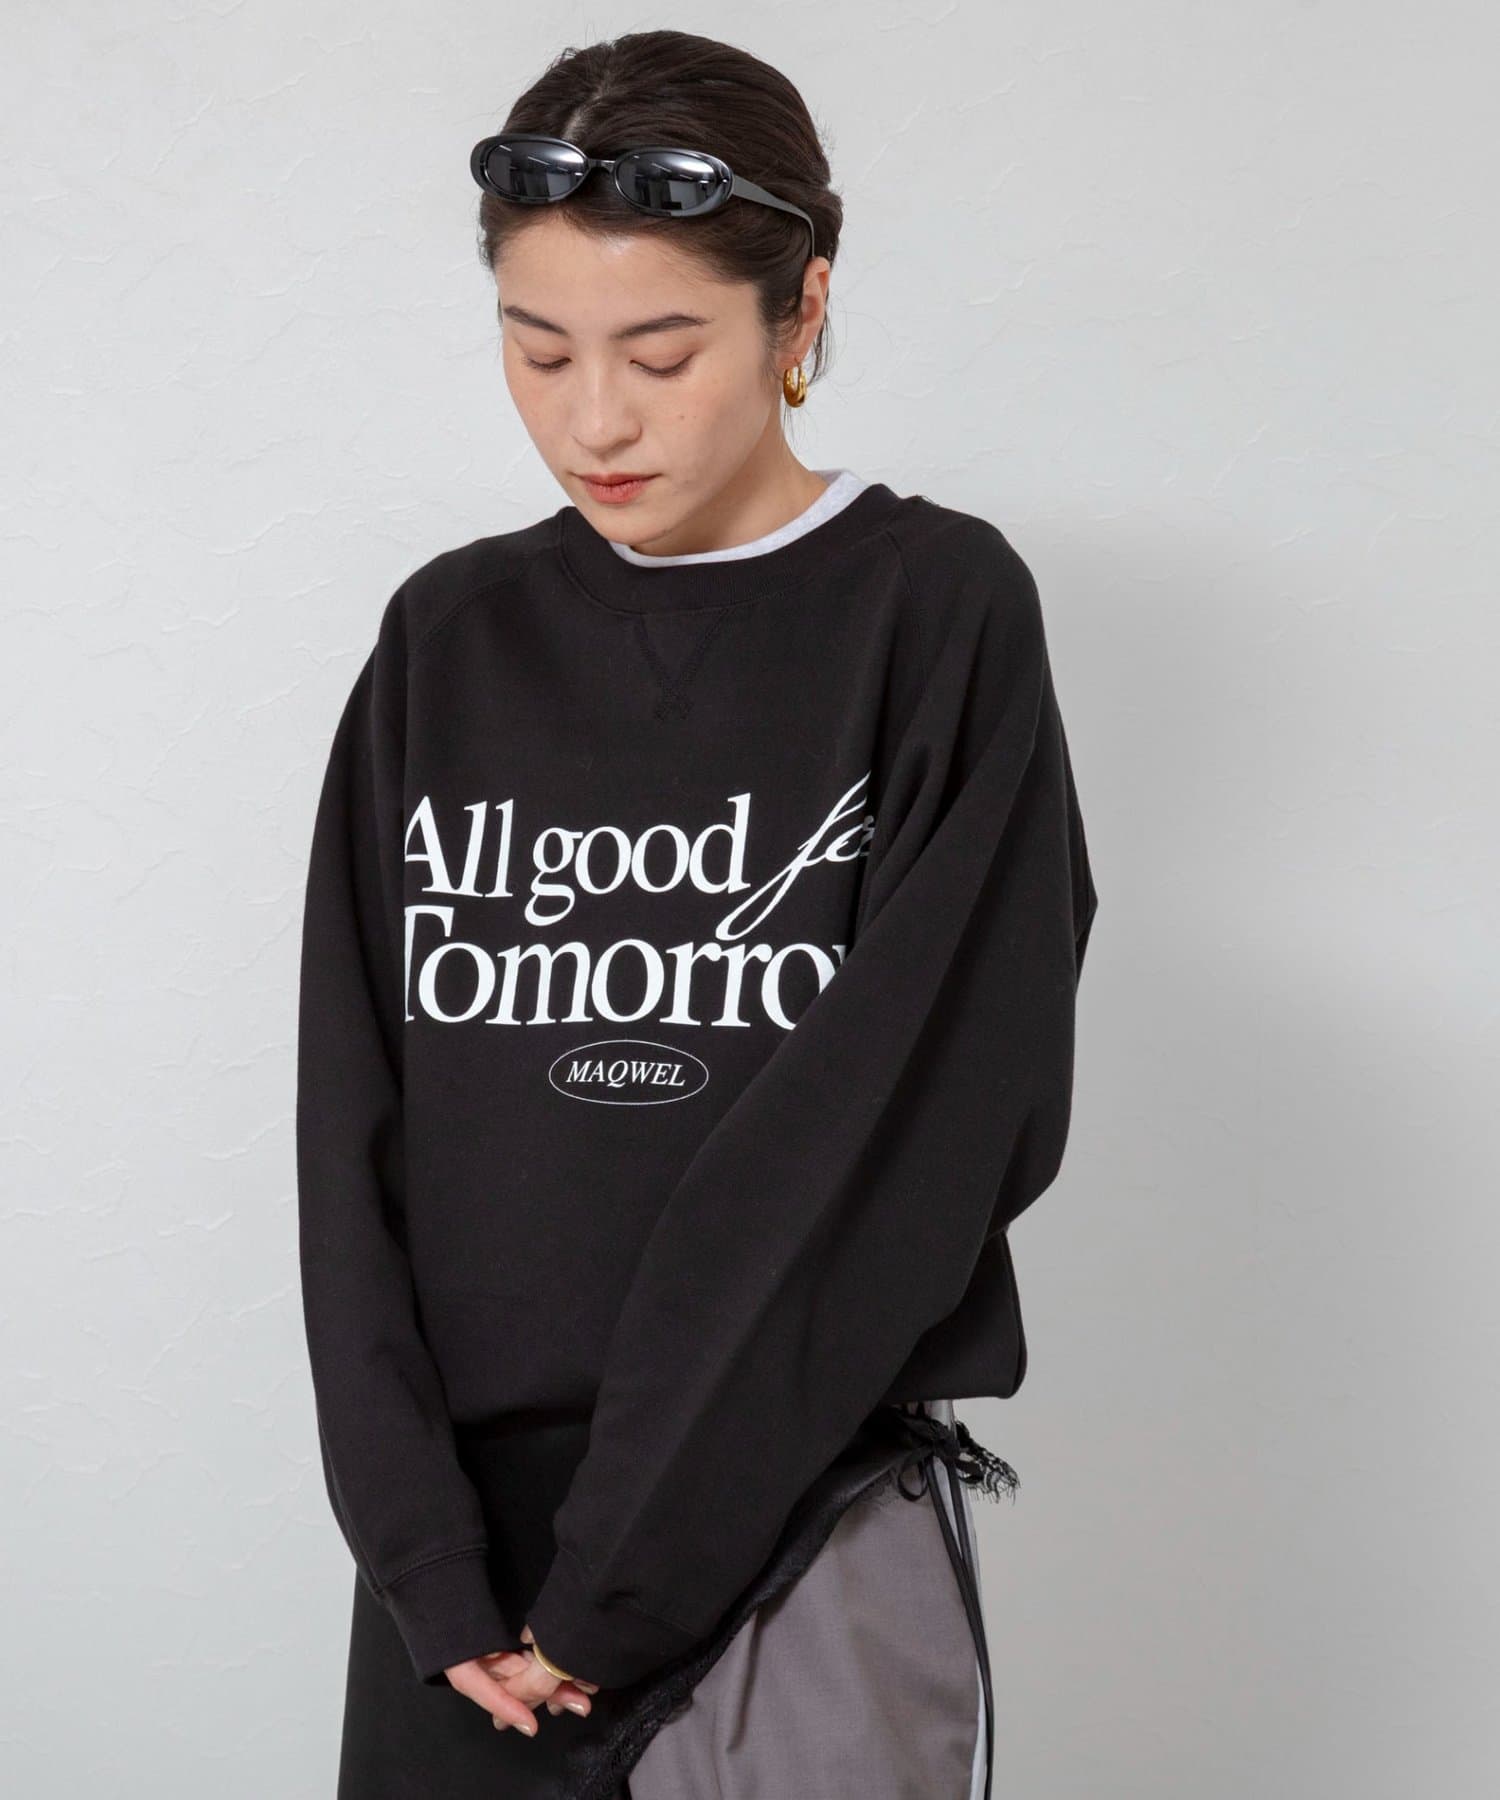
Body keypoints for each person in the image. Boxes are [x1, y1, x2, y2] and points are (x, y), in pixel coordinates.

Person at [294, 28, 1098, 1800]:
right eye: (537, 349)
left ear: (801, 311)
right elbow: (351, 1131)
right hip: (458, 1601)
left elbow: (905, 1135)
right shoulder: (448, 640)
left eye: (661, 355)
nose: (594, 419)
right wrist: (422, 1560)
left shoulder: (933, 615)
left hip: (781, 1531)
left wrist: (629, 1575)